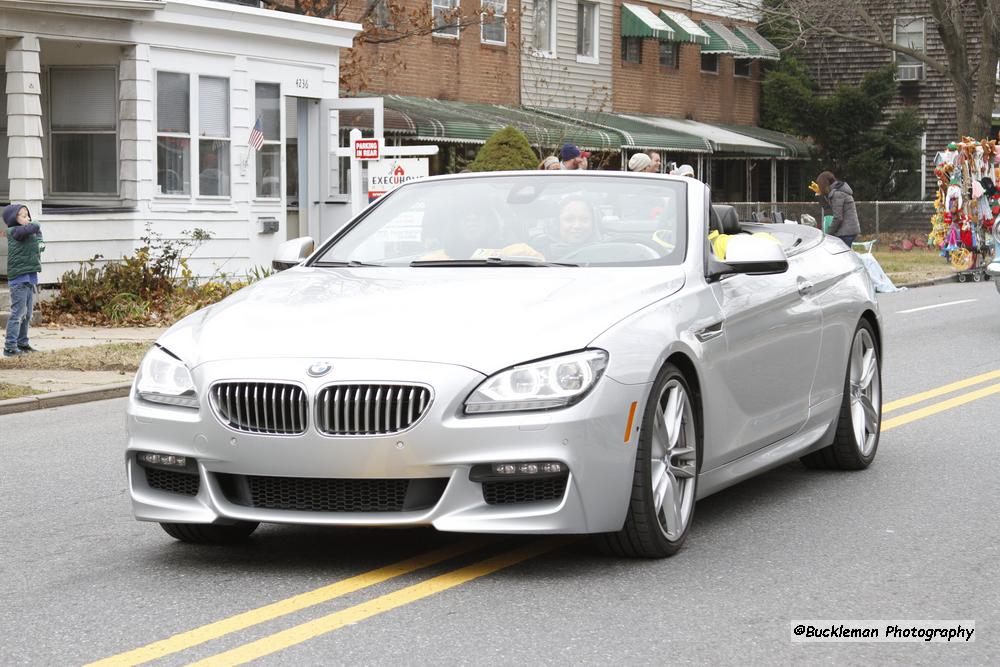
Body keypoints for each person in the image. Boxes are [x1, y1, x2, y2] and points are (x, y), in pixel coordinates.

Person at [421, 208, 542, 260]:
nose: (472, 218)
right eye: (464, 213)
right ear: (455, 223)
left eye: (479, 212)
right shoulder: (433, 260)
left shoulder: (518, 252)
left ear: (491, 221)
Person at [4, 204, 43, 356]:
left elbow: (36, 234)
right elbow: (31, 228)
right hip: (18, 279)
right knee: (17, 313)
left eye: (28, 215)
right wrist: (36, 224)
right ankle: (9, 347)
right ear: (14, 218)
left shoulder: (28, 231)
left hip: (29, 277)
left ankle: (22, 343)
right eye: (22, 215)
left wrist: (40, 241)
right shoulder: (14, 231)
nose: (27, 218)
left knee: (27, 315)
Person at [816, 170, 860, 247]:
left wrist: (828, 233)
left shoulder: (837, 194)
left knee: (843, 257)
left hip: (846, 231)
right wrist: (820, 195)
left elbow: (838, 217)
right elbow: (828, 208)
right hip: (848, 230)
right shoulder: (838, 191)